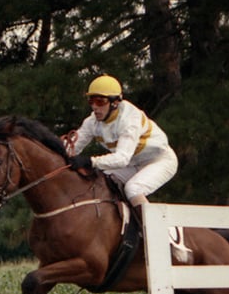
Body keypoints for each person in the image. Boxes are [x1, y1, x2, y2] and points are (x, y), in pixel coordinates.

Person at [66, 75, 178, 208]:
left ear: (115, 102)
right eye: (91, 101)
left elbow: (122, 159)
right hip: (133, 163)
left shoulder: (129, 119)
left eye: (100, 101)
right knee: (100, 181)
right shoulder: (91, 122)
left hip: (160, 161)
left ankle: (151, 228)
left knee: (133, 189)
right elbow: (70, 149)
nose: (95, 107)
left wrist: (91, 162)